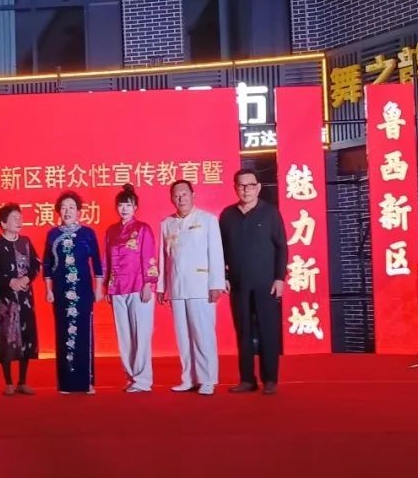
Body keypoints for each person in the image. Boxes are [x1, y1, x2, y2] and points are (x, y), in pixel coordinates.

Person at [218, 169, 287, 395]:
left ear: (258, 187)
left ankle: (270, 379)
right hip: (239, 283)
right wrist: (223, 276)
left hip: (266, 283)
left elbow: (281, 247)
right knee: (243, 331)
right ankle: (247, 379)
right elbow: (220, 250)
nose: (246, 189)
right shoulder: (227, 215)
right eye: (241, 185)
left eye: (250, 185)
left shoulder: (270, 213)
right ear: (235, 188)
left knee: (268, 330)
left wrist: (279, 278)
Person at [158, 180, 226, 396]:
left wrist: (216, 283)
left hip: (201, 286)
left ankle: (207, 379)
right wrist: (162, 286)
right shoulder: (166, 224)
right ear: (171, 198)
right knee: (183, 336)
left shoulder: (207, 220)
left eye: (184, 194)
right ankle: (188, 378)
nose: (181, 199)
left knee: (203, 334)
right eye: (176, 195)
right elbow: (163, 258)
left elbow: (216, 253)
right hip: (177, 286)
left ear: (193, 195)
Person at [44, 191, 104, 394]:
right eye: (63, 207)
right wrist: (49, 290)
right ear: (58, 211)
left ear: (79, 211)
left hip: (83, 290)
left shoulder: (87, 233)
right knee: (63, 333)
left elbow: (97, 263)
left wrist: (98, 288)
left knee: (84, 333)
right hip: (60, 291)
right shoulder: (53, 234)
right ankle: (66, 383)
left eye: (71, 207)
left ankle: (86, 382)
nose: (67, 211)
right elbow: (47, 265)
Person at [104, 183, 159, 393]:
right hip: (117, 288)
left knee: (141, 334)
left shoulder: (143, 229)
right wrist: (108, 287)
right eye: (121, 205)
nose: (124, 209)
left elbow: (149, 257)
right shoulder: (111, 231)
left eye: (128, 205)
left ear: (135, 207)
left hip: (138, 287)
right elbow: (106, 261)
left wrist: (148, 284)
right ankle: (131, 377)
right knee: (124, 336)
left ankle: (143, 380)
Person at [0, 203, 41, 396]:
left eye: (20, 218)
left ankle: (22, 381)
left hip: (24, 298)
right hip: (4, 299)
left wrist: (26, 279)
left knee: (26, 336)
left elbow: (36, 264)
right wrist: (9, 282)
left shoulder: (25, 242)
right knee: (5, 337)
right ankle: (8, 381)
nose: (19, 221)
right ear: (3, 223)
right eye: (14, 218)